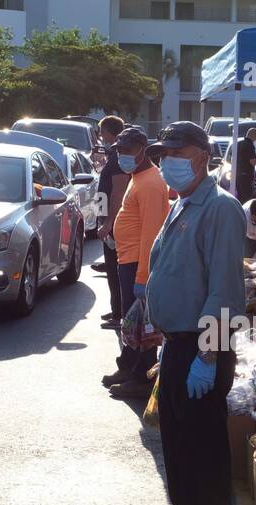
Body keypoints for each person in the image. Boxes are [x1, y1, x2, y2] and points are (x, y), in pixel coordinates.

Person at [144, 121, 246, 505]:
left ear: (202, 157)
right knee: (178, 447)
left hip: (201, 350)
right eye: (162, 153)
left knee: (204, 454)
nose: (166, 160)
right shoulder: (183, 203)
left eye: (175, 152)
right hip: (178, 345)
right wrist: (142, 311)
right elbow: (168, 265)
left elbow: (224, 292)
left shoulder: (220, 208)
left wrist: (207, 358)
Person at [102, 127, 169, 399]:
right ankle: (128, 367)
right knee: (131, 325)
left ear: (142, 149)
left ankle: (141, 377)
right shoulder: (138, 176)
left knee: (142, 327)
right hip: (127, 259)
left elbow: (151, 235)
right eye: (119, 150)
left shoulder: (151, 182)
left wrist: (143, 277)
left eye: (127, 150)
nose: (121, 155)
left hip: (137, 264)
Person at [93, 115, 128, 329]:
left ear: (108, 131)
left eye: (102, 132)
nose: (101, 136)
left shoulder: (118, 155)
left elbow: (118, 191)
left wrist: (108, 223)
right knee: (112, 268)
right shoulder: (113, 153)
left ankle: (120, 314)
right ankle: (117, 309)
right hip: (106, 217)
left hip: (111, 221)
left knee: (115, 269)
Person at [234, 126, 256, 203]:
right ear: (254, 135)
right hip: (246, 177)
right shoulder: (249, 145)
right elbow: (252, 161)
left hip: (238, 176)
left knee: (240, 198)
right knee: (246, 199)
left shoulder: (239, 144)